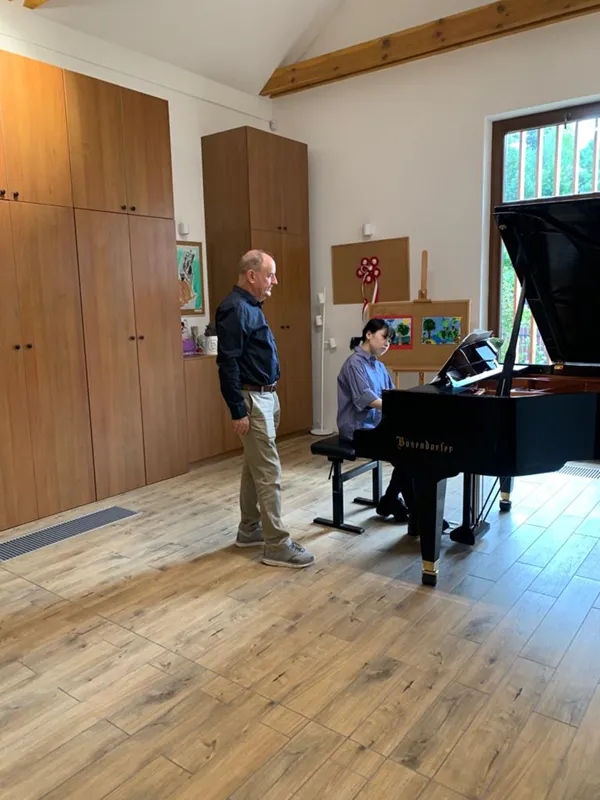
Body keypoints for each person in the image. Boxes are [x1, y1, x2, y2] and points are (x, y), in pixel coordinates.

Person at [215, 250, 315, 569]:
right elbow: (227, 363)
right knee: (269, 472)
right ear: (251, 275)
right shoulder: (234, 309)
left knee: (254, 466)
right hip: (252, 399)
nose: (275, 281)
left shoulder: (251, 307)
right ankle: (277, 544)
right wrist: (237, 410)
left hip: (266, 396)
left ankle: (249, 529)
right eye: (270, 274)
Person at [337, 318, 415, 523]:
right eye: (384, 337)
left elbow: (391, 396)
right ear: (369, 334)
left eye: (390, 340)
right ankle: (409, 509)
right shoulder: (354, 363)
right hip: (357, 430)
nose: (387, 343)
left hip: (376, 427)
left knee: (411, 452)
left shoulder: (379, 366)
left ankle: (393, 502)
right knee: (406, 455)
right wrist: (398, 407)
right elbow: (367, 399)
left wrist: (407, 405)